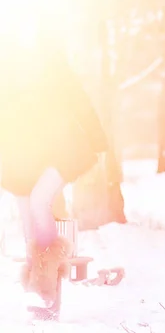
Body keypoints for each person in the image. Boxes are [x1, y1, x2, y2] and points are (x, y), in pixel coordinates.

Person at [0, 24, 109, 319]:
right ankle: (41, 294)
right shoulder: (7, 64)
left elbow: (78, 98)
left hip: (60, 146)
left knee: (38, 202)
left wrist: (97, 139)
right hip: (20, 151)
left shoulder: (51, 63)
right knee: (26, 213)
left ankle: (46, 290)